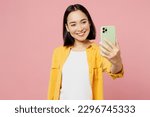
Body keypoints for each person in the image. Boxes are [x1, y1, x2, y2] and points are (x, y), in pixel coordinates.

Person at [48, 4, 123, 100]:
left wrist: (117, 60)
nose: (80, 28)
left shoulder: (98, 51)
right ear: (67, 28)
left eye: (83, 22)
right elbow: (53, 87)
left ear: (89, 23)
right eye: (73, 24)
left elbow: (115, 71)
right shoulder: (58, 52)